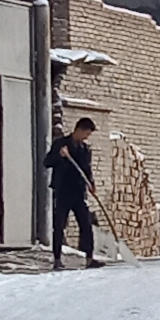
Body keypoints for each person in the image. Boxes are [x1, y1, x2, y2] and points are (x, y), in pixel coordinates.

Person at [48, 113, 101, 268]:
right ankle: (57, 259)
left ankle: (89, 258)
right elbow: (47, 162)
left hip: (78, 192)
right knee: (59, 226)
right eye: (86, 133)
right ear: (79, 129)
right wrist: (60, 155)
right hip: (63, 191)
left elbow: (87, 169)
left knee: (86, 224)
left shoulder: (85, 149)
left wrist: (91, 184)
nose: (87, 137)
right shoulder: (61, 144)